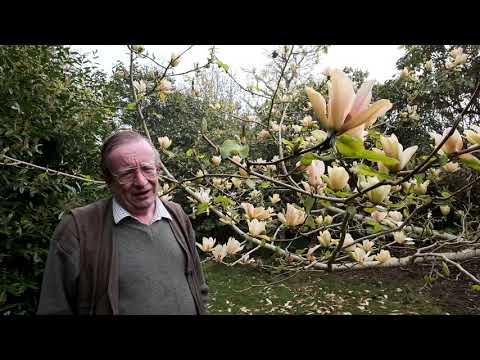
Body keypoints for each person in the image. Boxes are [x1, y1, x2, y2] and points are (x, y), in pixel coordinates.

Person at [37, 130, 208, 315]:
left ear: (158, 170)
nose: (141, 182)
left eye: (147, 169)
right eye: (127, 174)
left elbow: (199, 285)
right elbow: (54, 308)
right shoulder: (77, 229)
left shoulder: (177, 215)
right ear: (108, 180)